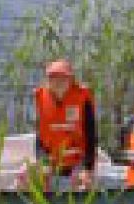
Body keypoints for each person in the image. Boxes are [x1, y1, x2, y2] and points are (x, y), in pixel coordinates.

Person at [27, 58, 97, 191]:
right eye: (53, 78)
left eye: (63, 78)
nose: (58, 82)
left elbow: (91, 136)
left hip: (78, 162)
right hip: (52, 161)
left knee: (83, 184)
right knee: (27, 178)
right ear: (47, 81)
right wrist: (43, 163)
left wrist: (88, 168)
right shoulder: (41, 98)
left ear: (71, 80)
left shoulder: (83, 98)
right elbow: (40, 139)